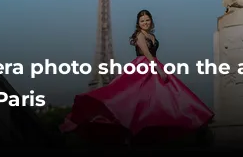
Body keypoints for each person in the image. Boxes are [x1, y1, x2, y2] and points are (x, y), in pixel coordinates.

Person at [60, 9, 214, 146]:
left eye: (147, 20)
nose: (145, 22)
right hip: (144, 67)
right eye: (142, 21)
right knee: (136, 99)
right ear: (138, 23)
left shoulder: (151, 35)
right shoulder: (139, 35)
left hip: (153, 65)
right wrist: (158, 69)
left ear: (151, 21)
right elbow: (147, 53)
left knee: (163, 99)